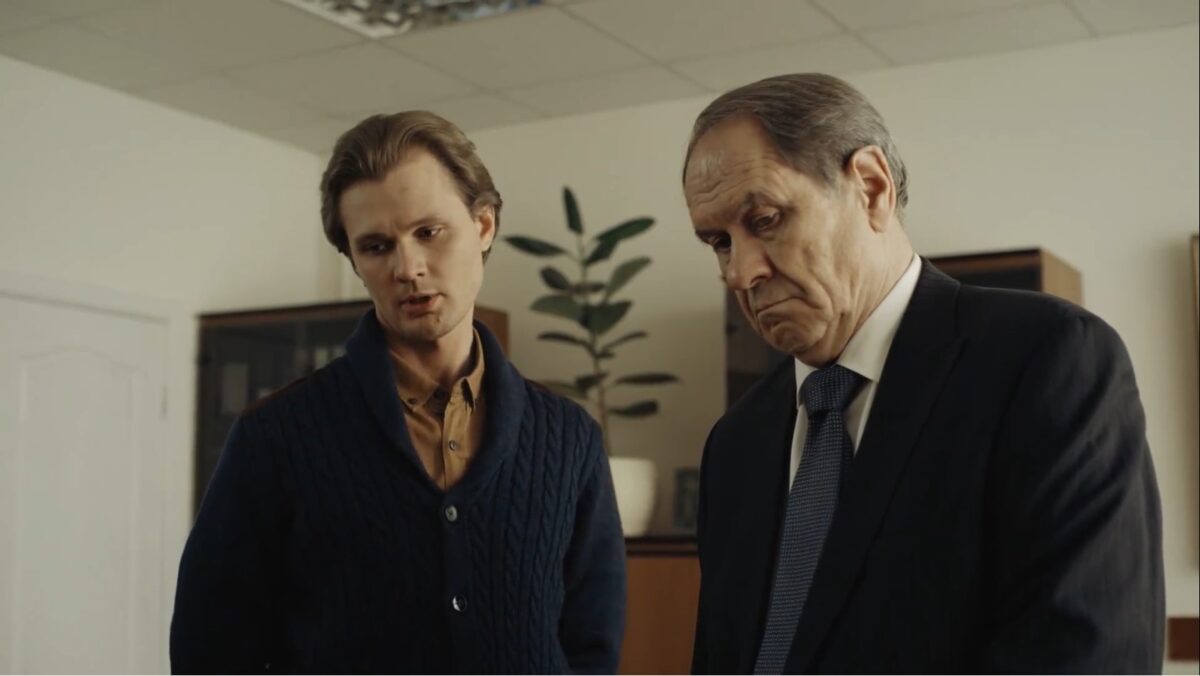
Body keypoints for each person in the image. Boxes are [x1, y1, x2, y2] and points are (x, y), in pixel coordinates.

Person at [683, 73, 1163, 673]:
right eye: (719, 242)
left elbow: (1086, 657)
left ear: (871, 187)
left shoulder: (1047, 361)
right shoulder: (735, 443)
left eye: (765, 220)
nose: (739, 273)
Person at [170, 111, 626, 674]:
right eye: (377, 246)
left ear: (484, 225)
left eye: (429, 233)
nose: (408, 268)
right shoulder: (275, 437)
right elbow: (210, 649)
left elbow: (592, 644)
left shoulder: (569, 438)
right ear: (354, 260)